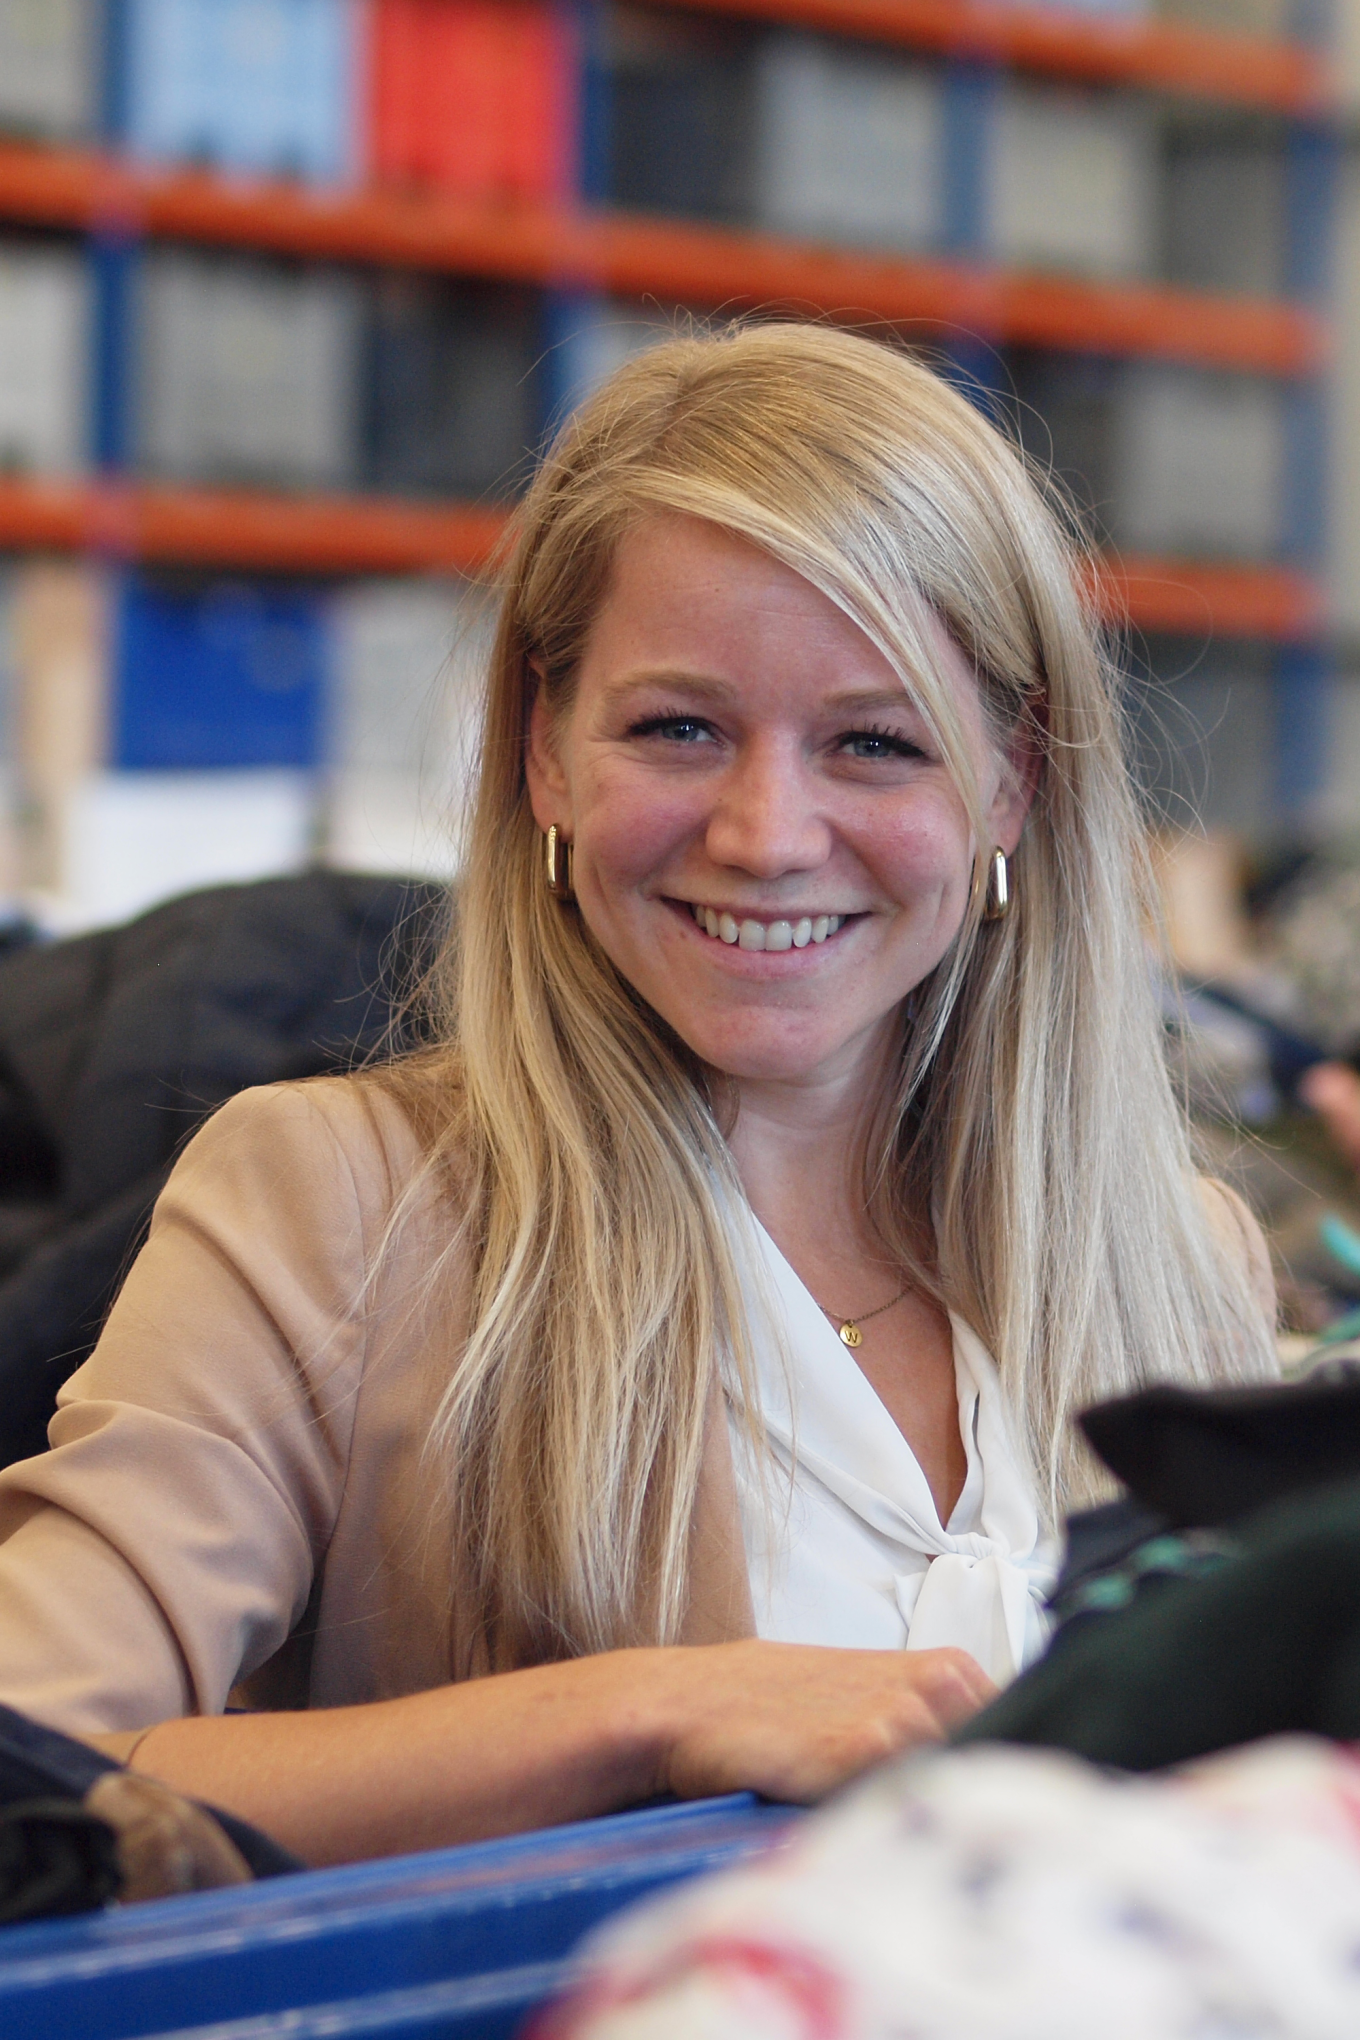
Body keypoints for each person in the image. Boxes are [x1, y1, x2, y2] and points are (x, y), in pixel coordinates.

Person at [0, 326, 1276, 1867]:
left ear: (1009, 785)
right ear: (543, 749)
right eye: (681, 729)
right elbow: (39, 1770)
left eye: (874, 743)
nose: (766, 832)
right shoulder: (329, 1206)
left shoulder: (1180, 1267)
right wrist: (643, 1717)